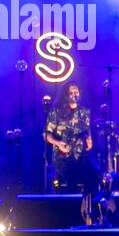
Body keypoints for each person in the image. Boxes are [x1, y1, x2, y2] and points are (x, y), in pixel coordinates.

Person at [44, 82, 103, 220]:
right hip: (62, 156)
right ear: (66, 94)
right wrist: (58, 143)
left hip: (80, 154)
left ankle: (92, 209)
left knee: (96, 173)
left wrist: (89, 139)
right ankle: (70, 214)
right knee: (71, 178)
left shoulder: (84, 112)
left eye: (76, 92)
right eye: (71, 92)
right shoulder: (56, 111)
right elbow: (47, 135)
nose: (74, 94)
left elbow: (87, 131)